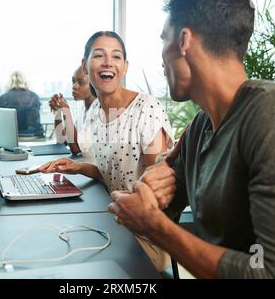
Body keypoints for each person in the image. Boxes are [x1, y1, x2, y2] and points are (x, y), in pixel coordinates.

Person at [107, 0, 275, 279]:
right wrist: (152, 185)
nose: (161, 57)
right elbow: (164, 206)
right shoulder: (200, 127)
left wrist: (153, 225)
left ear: (184, 41)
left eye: (164, 40)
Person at [39, 31, 175, 272]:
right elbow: (111, 173)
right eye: (99, 55)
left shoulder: (147, 109)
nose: (108, 62)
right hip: (111, 222)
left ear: (125, 67)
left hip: (145, 236)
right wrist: (79, 167)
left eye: (116, 56)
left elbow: (158, 190)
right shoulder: (94, 114)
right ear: (85, 65)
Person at [48, 65, 97, 155]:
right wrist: (58, 111)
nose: (74, 86)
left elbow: (76, 148)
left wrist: (66, 110)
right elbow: (62, 139)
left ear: (95, 85)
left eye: (81, 83)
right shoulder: (83, 109)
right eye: (73, 81)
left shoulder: (99, 111)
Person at [0, 71, 44, 137]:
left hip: (10, 135)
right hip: (34, 134)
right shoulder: (34, 96)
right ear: (25, 82)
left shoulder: (3, 98)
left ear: (9, 82)